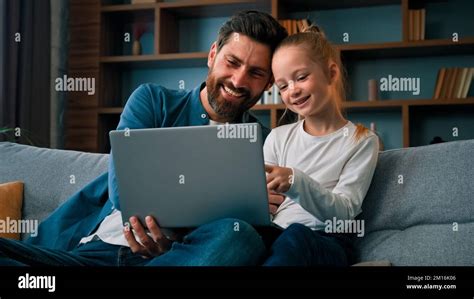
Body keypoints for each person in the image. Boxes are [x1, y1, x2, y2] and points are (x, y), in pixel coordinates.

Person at [0, 10, 288, 266]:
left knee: (240, 239)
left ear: (269, 82)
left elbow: (255, 228)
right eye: (232, 62)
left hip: (188, 256)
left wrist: (179, 240)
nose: (238, 81)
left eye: (255, 73)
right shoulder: (153, 100)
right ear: (212, 55)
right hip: (98, 252)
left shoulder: (265, 143)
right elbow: (122, 188)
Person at [260, 25, 379, 266]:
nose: (292, 91)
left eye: (301, 77)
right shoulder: (277, 137)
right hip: (278, 235)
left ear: (331, 73)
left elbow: (345, 213)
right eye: (282, 86)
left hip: (328, 240)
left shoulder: (362, 140)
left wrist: (295, 180)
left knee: (294, 235)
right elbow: (266, 207)